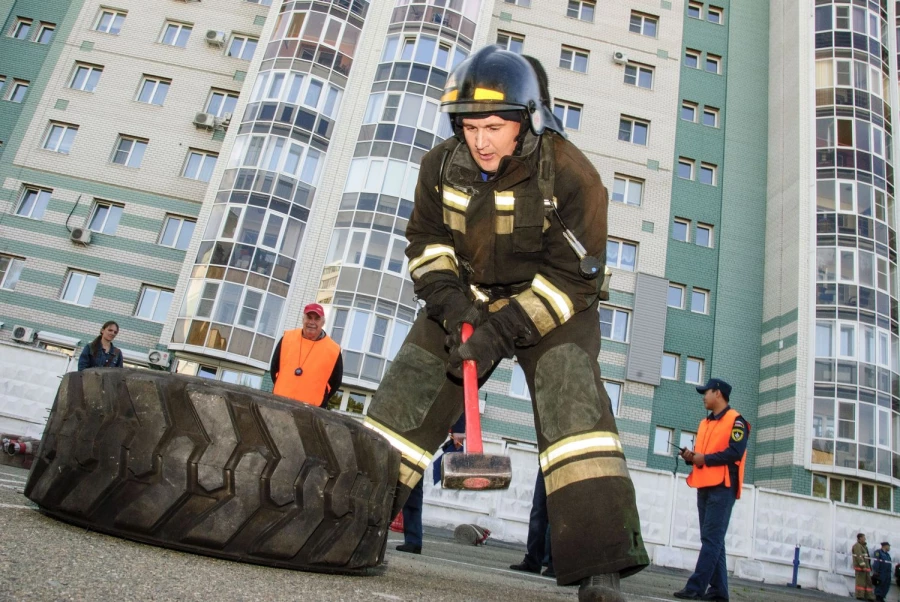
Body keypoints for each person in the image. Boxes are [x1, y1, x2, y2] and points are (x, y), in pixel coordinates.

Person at [362, 45, 648, 602]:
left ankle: (600, 566)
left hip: (550, 302)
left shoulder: (572, 177)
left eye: (494, 125)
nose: (481, 140)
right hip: (465, 298)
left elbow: (575, 279)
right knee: (404, 403)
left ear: (529, 120)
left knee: (574, 414)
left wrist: (499, 333)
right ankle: (354, 524)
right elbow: (425, 245)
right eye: (470, 126)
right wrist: (455, 310)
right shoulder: (440, 165)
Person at [674, 378, 749, 602]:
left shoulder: (737, 421)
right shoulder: (704, 423)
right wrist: (691, 457)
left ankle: (696, 587)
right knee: (714, 540)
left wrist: (703, 458)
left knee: (711, 540)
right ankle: (718, 591)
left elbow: (734, 453)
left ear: (718, 394)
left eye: (705, 392)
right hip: (704, 484)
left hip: (723, 487)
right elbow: (703, 455)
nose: (703, 396)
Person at [396, 414, 466, 555]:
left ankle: (413, 540)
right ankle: (413, 540)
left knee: (412, 484)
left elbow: (460, 394)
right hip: (407, 427)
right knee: (411, 485)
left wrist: (458, 429)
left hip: (416, 431)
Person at [270, 303, 343, 407]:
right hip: (279, 403)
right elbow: (274, 369)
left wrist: (321, 400)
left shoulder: (333, 350)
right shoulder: (287, 338)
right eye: (309, 317)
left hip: (312, 411)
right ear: (303, 319)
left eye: (316, 319)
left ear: (323, 322)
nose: (312, 322)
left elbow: (335, 382)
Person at [509, 470, 554, 578]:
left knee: (557, 514)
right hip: (545, 464)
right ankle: (533, 561)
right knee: (538, 512)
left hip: (565, 465)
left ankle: (555, 565)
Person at [853, 533, 876, 601]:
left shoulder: (864, 546)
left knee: (868, 582)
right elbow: (859, 556)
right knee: (860, 582)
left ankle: (869, 596)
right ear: (859, 538)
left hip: (866, 568)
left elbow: (866, 557)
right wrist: (863, 566)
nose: (865, 539)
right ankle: (860, 595)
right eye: (863, 537)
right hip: (861, 568)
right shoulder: (857, 546)